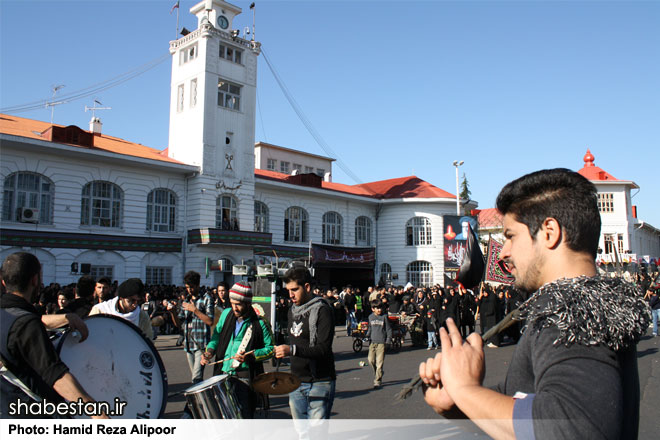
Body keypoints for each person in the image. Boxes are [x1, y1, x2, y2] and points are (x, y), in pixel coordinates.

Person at [419, 168, 651, 439]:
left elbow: (573, 426)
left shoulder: (569, 310)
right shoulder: (593, 304)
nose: (504, 252)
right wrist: (458, 401)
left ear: (549, 232)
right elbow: (526, 404)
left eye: (510, 236)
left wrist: (465, 389)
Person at [0, 252, 107, 419]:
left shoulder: (8, 316)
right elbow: (56, 376)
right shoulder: (27, 325)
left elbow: (23, 323)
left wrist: (66, 317)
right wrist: (99, 416)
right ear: (35, 280)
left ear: (4, 281)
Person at [201, 282, 273, 418]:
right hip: (223, 374)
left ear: (247, 303)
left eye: (238, 304)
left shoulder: (260, 323)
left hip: (244, 378)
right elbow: (216, 336)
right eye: (232, 303)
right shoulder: (226, 314)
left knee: (244, 418)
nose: (234, 308)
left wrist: (251, 355)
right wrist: (209, 351)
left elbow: (270, 349)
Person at [274, 266, 336, 419]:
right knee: (302, 432)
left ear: (307, 287)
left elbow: (323, 348)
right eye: (288, 290)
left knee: (316, 433)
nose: (291, 295)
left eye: (294, 289)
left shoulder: (322, 310)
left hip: (320, 381)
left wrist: (292, 350)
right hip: (296, 380)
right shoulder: (292, 311)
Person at [178, 271, 214, 384]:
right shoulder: (186, 301)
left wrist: (195, 310)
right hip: (188, 344)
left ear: (198, 285)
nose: (189, 290)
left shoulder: (206, 298)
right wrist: (172, 312)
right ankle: (199, 400)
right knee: (196, 378)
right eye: (187, 287)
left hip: (201, 343)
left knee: (196, 377)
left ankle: (194, 401)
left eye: (192, 287)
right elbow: (179, 323)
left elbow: (210, 321)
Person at [365, 299, 391, 388]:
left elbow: (388, 329)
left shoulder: (384, 317)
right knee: (371, 360)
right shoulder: (370, 317)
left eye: (380, 308)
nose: (379, 310)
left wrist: (388, 340)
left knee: (379, 363)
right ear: (373, 309)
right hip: (372, 342)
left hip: (381, 343)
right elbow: (370, 328)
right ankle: (379, 373)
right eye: (377, 308)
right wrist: (367, 335)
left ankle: (377, 380)